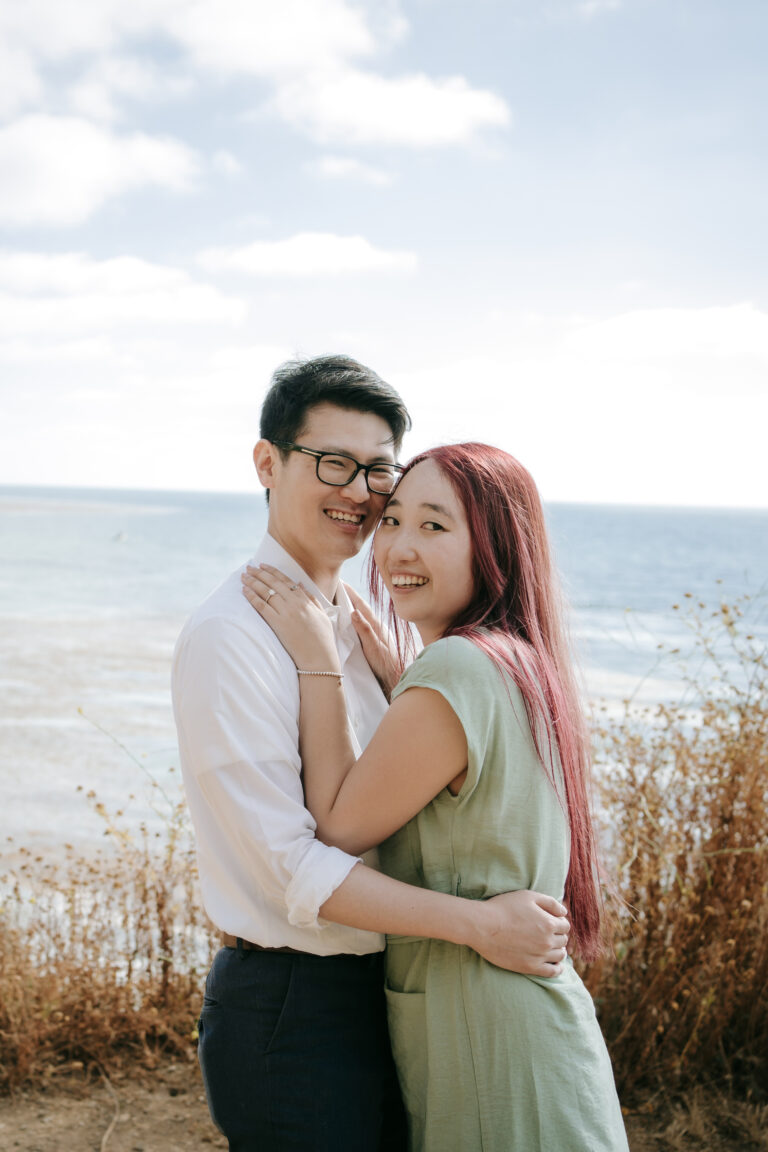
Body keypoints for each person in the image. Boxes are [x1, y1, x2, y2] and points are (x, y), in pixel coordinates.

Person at [172, 357, 572, 1152]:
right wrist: (480, 927)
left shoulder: (366, 632)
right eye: (332, 463)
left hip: (392, 995)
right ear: (267, 464)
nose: (359, 491)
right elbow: (294, 866)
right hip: (296, 1008)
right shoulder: (232, 637)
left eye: (377, 469)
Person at [242, 440, 629, 1152]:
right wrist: (404, 689)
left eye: (435, 526)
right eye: (391, 522)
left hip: (490, 1046)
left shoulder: (455, 670)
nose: (398, 550)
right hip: (531, 1039)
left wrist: (319, 665)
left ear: (497, 548)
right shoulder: (517, 661)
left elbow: (334, 828)